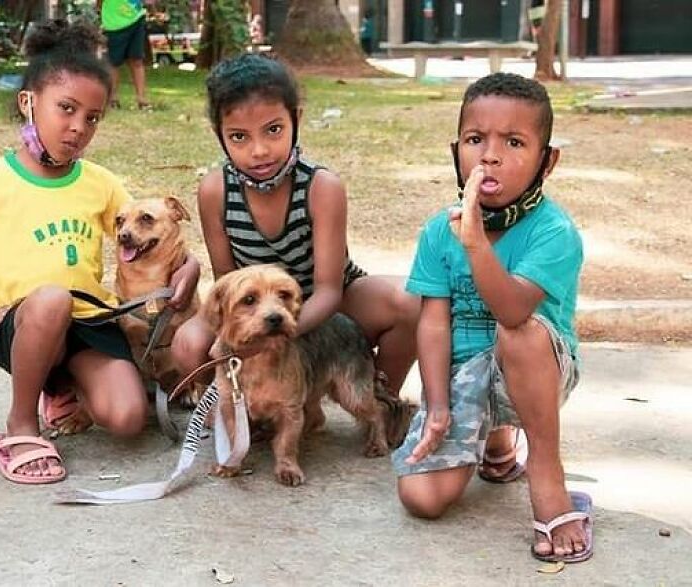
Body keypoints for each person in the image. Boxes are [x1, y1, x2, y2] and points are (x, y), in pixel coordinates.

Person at [0, 20, 199, 485]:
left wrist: (191, 266)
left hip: (89, 324)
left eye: (93, 117)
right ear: (28, 102)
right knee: (53, 298)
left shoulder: (98, 182)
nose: (78, 127)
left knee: (126, 418)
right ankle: (20, 422)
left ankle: (61, 385)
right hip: (27, 325)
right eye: (66, 108)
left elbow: (147, 227)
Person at [392, 72, 591, 563]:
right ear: (455, 148)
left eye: (515, 142)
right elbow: (434, 323)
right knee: (422, 499)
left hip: (533, 372)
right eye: (475, 139)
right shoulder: (439, 231)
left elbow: (512, 309)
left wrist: (477, 243)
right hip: (465, 377)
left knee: (515, 332)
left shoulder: (555, 231)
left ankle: (547, 475)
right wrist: (437, 403)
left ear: (548, 161)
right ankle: (496, 447)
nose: (490, 155)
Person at [171, 53, 419, 400]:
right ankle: (244, 404)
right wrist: (245, 332)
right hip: (254, 308)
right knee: (188, 344)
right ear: (219, 135)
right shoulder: (216, 191)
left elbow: (329, 290)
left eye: (273, 130)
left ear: (295, 119)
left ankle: (380, 398)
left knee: (412, 303)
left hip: (328, 305)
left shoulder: (322, 187)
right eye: (239, 137)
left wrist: (278, 332)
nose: (259, 150)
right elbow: (228, 282)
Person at [97, 0, 151, 110]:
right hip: (114, 24)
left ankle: (141, 98)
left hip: (136, 18)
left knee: (137, 59)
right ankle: (112, 98)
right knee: (114, 62)